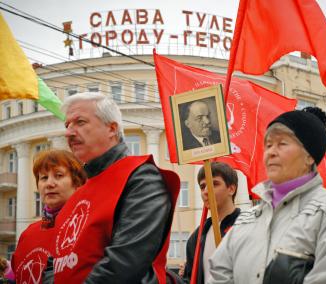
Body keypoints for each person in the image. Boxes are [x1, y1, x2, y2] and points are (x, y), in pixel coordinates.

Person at [208, 107, 326, 284]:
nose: (271, 152)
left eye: (282, 144)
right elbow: (218, 275)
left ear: (309, 156)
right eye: (268, 145)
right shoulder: (247, 218)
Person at [49, 92, 180, 283]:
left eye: (80, 122)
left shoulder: (141, 178)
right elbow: (54, 261)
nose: (69, 132)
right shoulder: (78, 193)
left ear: (111, 129)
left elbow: (124, 262)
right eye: (67, 125)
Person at [12, 149, 86, 284]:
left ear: (77, 183)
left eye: (58, 175)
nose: (49, 184)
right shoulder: (27, 234)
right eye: (44, 178)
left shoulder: (88, 228)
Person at [183, 162, 241, 284]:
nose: (205, 191)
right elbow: (189, 279)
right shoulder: (196, 237)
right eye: (202, 186)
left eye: (214, 184)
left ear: (231, 188)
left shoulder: (246, 227)